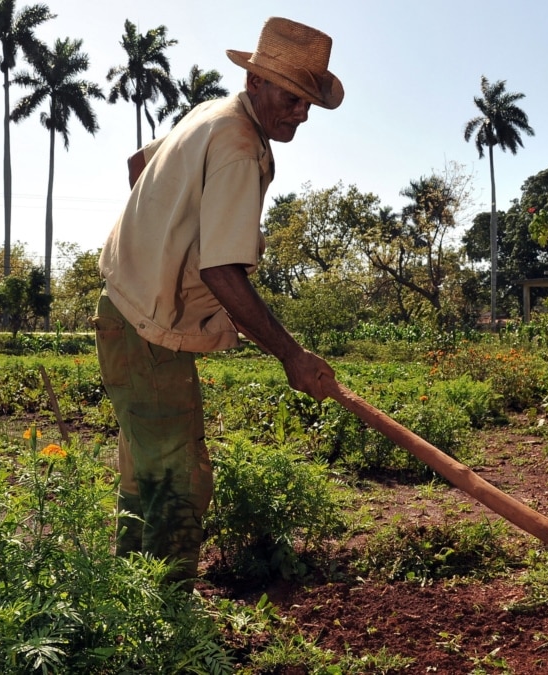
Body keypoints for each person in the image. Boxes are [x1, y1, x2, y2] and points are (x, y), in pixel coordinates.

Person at [93, 16, 343, 582]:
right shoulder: (237, 144)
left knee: (146, 475)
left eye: (308, 102)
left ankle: (127, 598)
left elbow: (139, 165)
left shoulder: (210, 112)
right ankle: (163, 617)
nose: (301, 112)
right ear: (256, 83)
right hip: (150, 329)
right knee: (180, 481)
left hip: (124, 310)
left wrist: (162, 235)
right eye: (291, 96)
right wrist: (292, 355)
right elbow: (223, 272)